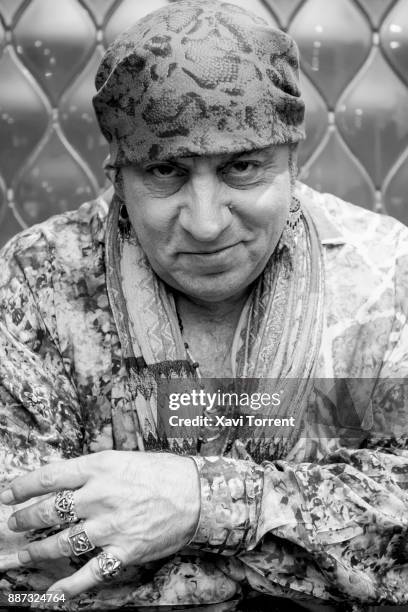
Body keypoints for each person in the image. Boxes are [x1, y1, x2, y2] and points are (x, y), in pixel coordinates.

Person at [0, 1, 408, 610]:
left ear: (293, 162)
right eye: (166, 171)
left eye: (242, 167)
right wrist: (310, 546)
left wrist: (197, 503)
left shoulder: (387, 277)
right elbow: (21, 563)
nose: (207, 222)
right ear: (117, 173)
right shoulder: (39, 282)